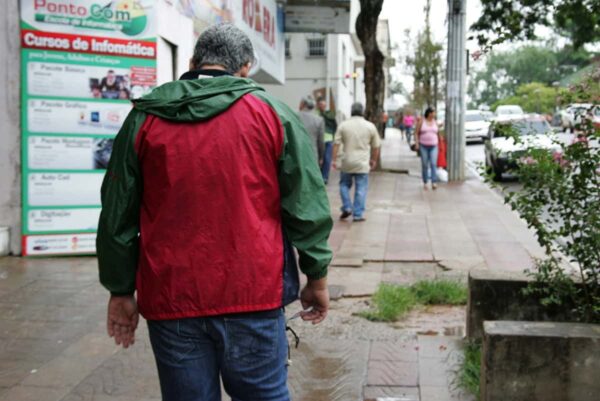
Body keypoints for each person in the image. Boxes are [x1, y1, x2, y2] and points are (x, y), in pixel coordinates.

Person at [96, 23, 333, 401]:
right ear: (245, 69)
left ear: (192, 62)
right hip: (253, 294)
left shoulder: (145, 117)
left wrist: (120, 290)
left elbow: (116, 214)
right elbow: (307, 206)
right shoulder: (272, 114)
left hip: (172, 298)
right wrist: (316, 277)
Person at [332, 102, 381, 222]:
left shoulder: (343, 125)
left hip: (347, 161)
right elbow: (376, 146)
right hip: (363, 163)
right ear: (362, 111)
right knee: (361, 188)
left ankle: (347, 206)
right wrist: (373, 160)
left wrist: (334, 160)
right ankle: (358, 214)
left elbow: (336, 144)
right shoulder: (370, 126)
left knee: (344, 185)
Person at [415, 107, 439, 190]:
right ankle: (425, 182)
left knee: (433, 163)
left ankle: (434, 182)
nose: (434, 114)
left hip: (434, 145)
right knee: (425, 164)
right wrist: (417, 144)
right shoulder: (422, 121)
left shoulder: (435, 122)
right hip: (423, 146)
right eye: (433, 113)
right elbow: (416, 133)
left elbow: (438, 133)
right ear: (429, 113)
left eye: (434, 113)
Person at [298, 96, 325, 165]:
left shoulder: (294, 116)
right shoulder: (319, 120)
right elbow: (321, 141)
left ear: (302, 104)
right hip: (313, 155)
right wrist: (321, 157)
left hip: (296, 154)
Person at [317, 96, 338, 184]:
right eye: (321, 104)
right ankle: (319, 176)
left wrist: (333, 135)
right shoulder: (315, 114)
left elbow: (334, 124)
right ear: (318, 105)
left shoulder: (329, 114)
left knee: (327, 158)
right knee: (318, 158)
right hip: (317, 139)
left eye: (324, 105)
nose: (323, 106)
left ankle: (324, 177)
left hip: (328, 138)